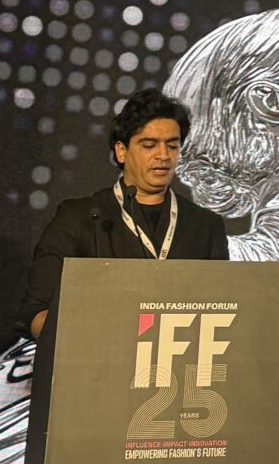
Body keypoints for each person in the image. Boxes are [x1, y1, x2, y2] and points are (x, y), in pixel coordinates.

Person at [24, 87, 230, 336]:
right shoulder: (80, 218)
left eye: (172, 145)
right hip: (99, 354)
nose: (163, 155)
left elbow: (222, 312)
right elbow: (38, 311)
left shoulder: (205, 226)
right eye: (149, 145)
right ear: (121, 151)